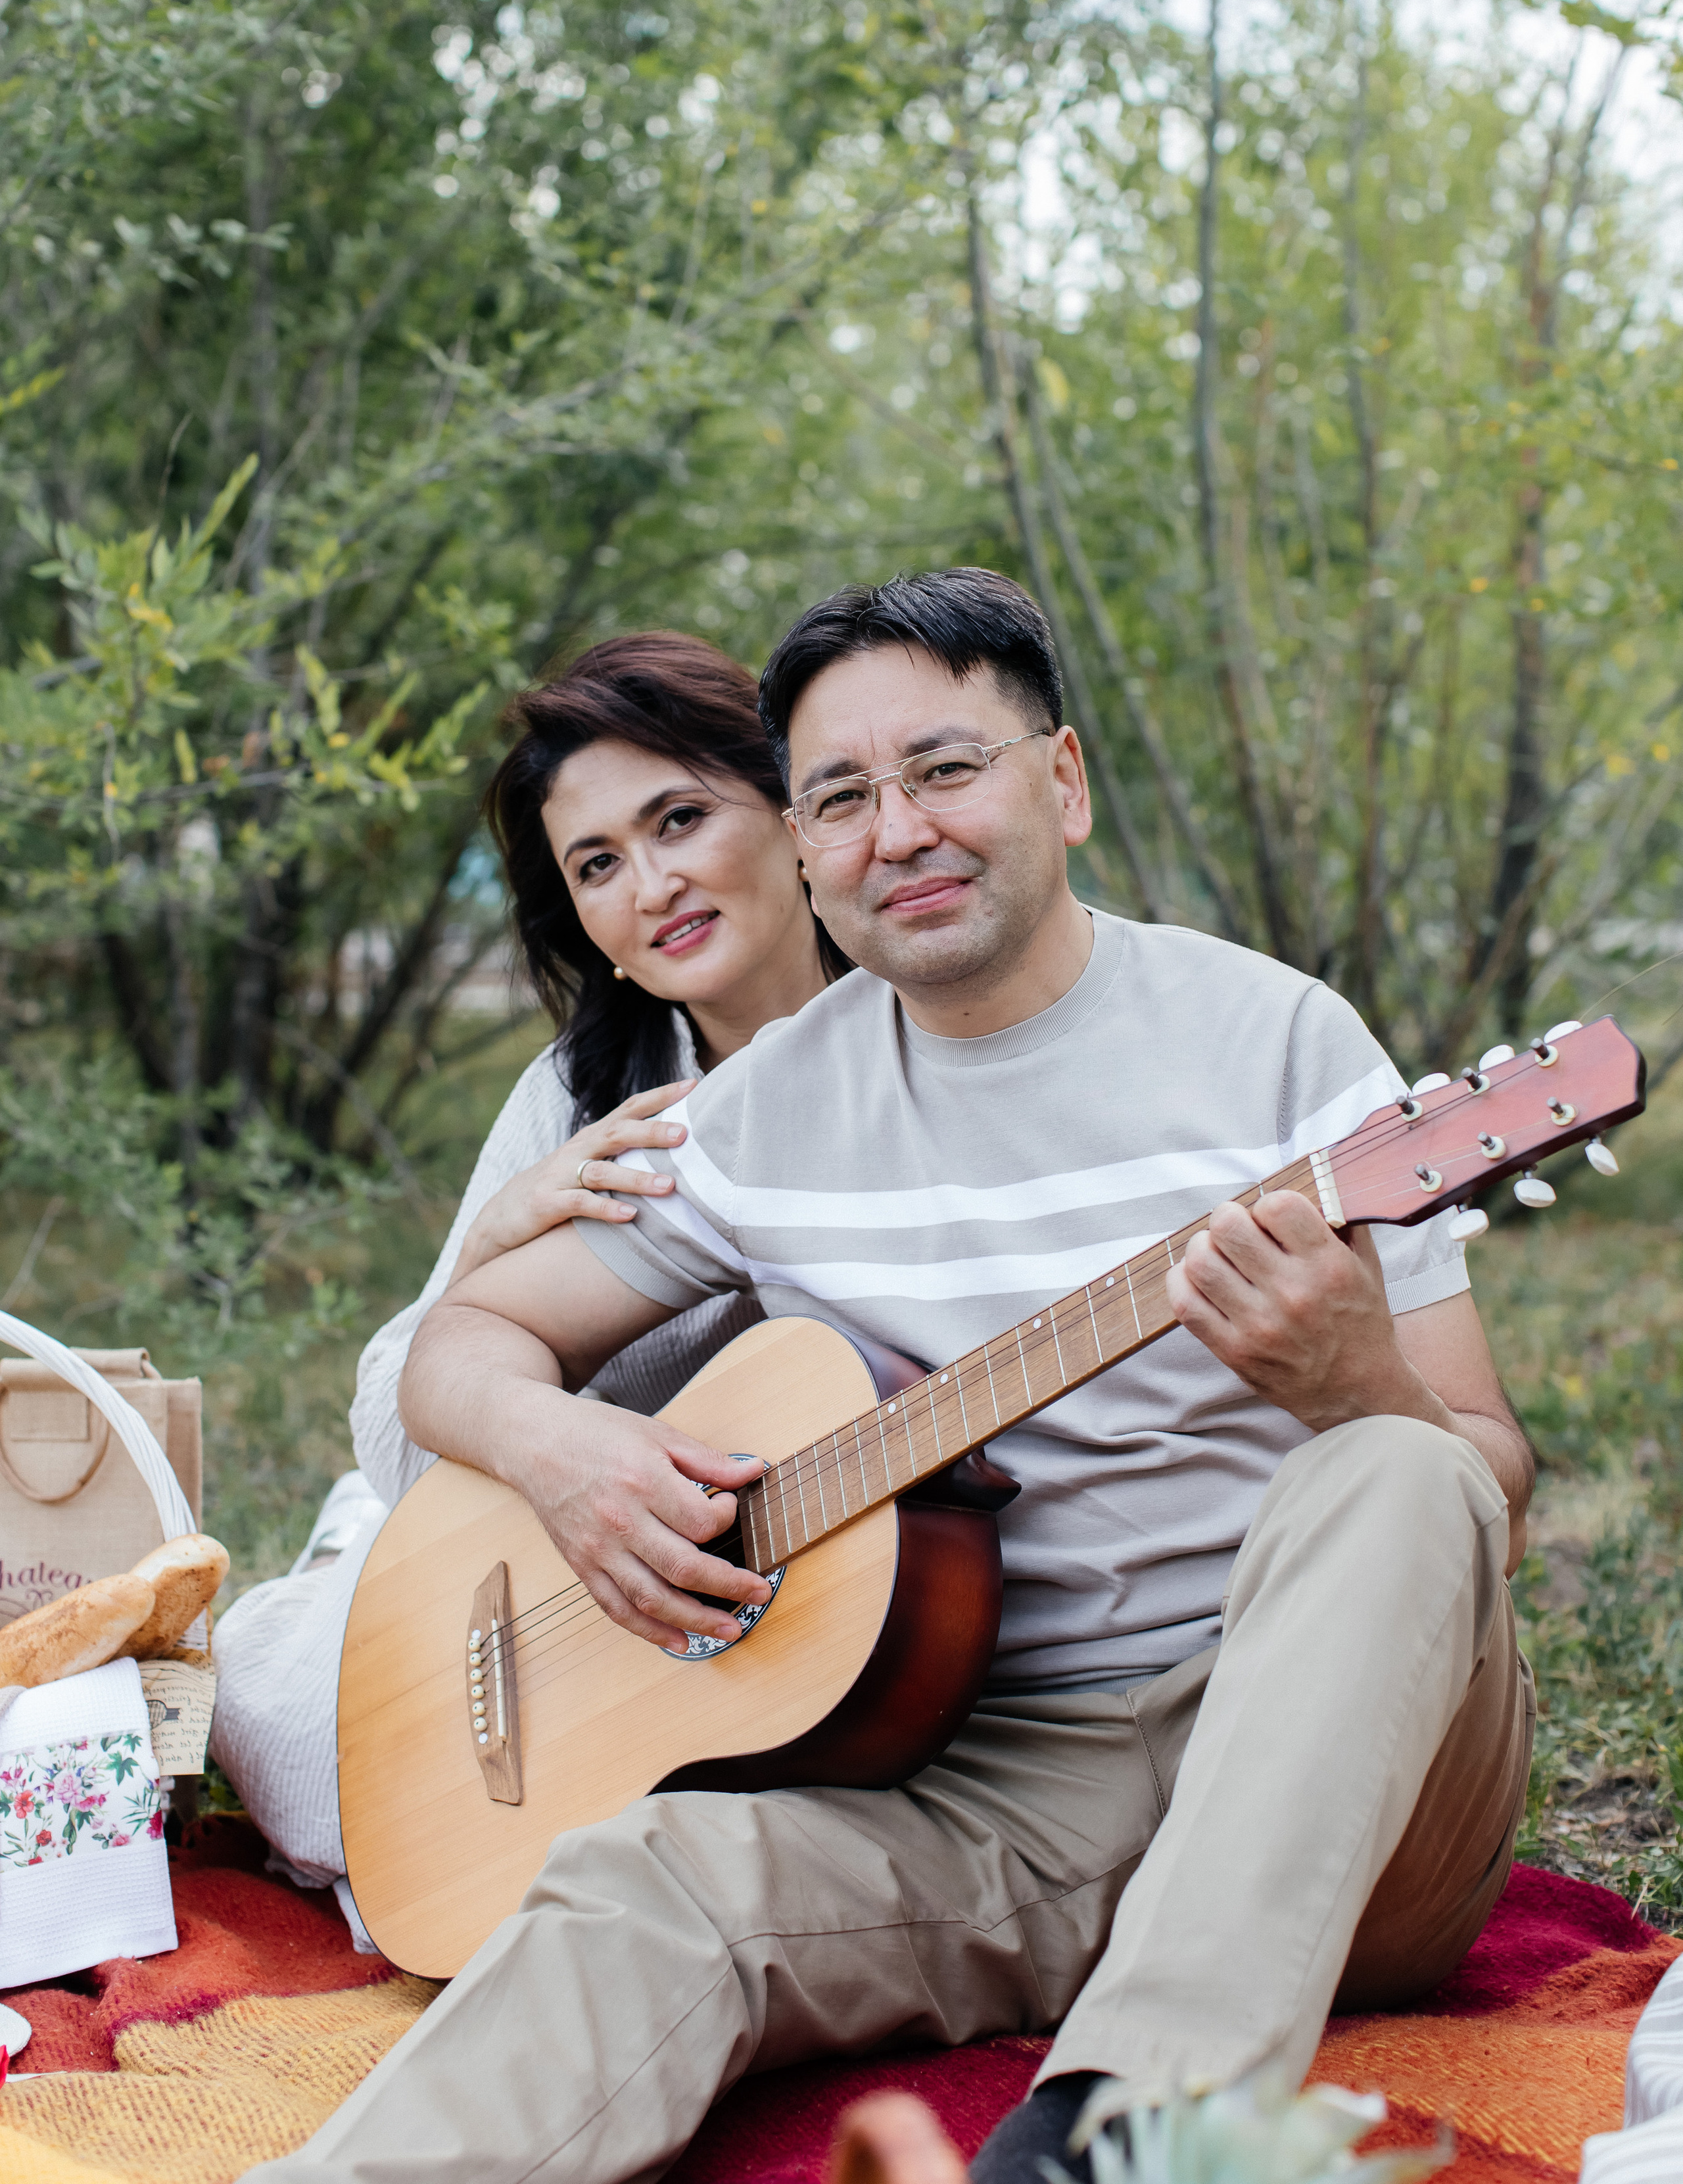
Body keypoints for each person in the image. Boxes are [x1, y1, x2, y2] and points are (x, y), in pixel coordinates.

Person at [245, 567, 1533, 2184]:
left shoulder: (1276, 1046)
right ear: (799, 841)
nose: (895, 832)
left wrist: (1357, 1386)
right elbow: (458, 1352)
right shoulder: (759, 1115)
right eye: (839, 796)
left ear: (1059, 781)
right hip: (995, 1789)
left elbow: (1488, 1478)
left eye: (943, 769)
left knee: (1393, 1466)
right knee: (644, 1876)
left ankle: (1124, 2134)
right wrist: (567, 1459)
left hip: (1351, 1790)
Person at [210, 632, 848, 1895]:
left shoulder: (917, 1031)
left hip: (789, 1566)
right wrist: (499, 1254)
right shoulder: (584, 1095)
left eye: (680, 819)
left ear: (790, 810)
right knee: (280, 1705)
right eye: (599, 865)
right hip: (541, 1555)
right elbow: (402, 1453)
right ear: (590, 926)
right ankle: (336, 1572)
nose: (653, 884)